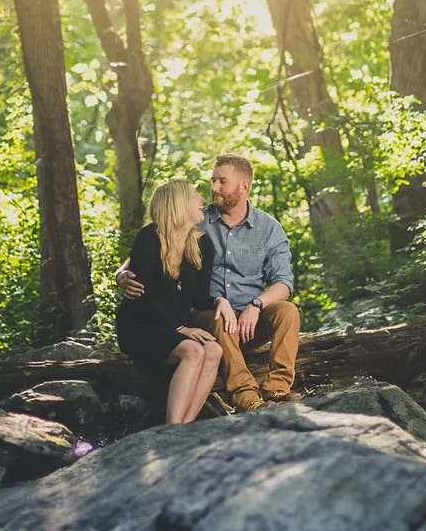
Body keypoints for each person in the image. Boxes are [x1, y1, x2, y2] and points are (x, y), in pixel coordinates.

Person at [118, 153, 298, 412]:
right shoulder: (198, 219)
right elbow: (157, 242)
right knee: (221, 319)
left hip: (250, 320)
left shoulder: (269, 228)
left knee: (288, 311)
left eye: (222, 182)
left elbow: (283, 282)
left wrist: (257, 304)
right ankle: (246, 398)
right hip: (209, 314)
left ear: (243, 187)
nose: (213, 188)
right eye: (213, 180)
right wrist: (122, 272)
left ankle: (278, 389)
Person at [115, 180, 223, 424]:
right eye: (196, 195)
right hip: (141, 325)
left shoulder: (203, 245)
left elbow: (200, 298)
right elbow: (140, 298)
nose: (202, 200)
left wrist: (219, 302)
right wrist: (181, 329)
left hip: (174, 326)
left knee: (214, 350)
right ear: (178, 203)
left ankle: (184, 428)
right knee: (193, 350)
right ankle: (171, 428)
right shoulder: (149, 238)